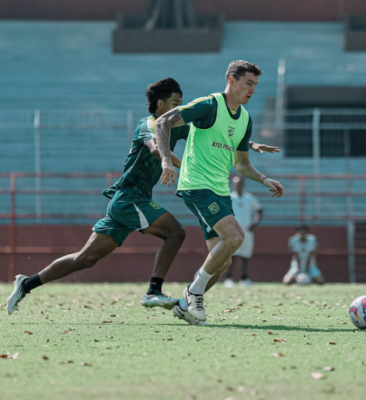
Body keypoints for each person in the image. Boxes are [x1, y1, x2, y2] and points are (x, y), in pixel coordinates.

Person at [6, 77, 278, 320]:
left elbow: (210, 130)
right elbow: (154, 147)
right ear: (160, 104)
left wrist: (249, 143)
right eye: (175, 102)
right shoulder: (146, 125)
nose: (178, 107)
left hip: (130, 201)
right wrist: (172, 164)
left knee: (85, 259)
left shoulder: (174, 126)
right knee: (175, 232)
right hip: (129, 197)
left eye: (181, 103)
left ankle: (26, 283)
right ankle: (153, 291)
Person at [155, 60, 284, 323]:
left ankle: (184, 304)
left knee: (223, 261)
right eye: (248, 83)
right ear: (231, 80)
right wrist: (166, 160)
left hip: (219, 191)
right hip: (196, 185)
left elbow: (241, 164)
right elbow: (163, 122)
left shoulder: (245, 118)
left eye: (256, 85)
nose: (252, 90)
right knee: (236, 237)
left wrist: (264, 179)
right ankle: (193, 293)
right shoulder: (209, 105)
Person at [224, 175, 264, 287]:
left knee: (245, 255)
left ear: (243, 184)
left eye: (240, 184)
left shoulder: (249, 198)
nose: (238, 186)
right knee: (232, 255)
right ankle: (229, 279)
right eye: (236, 184)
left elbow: (259, 210)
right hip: (233, 232)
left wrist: (255, 223)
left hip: (247, 232)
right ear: (233, 185)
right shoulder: (229, 197)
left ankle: (244, 278)